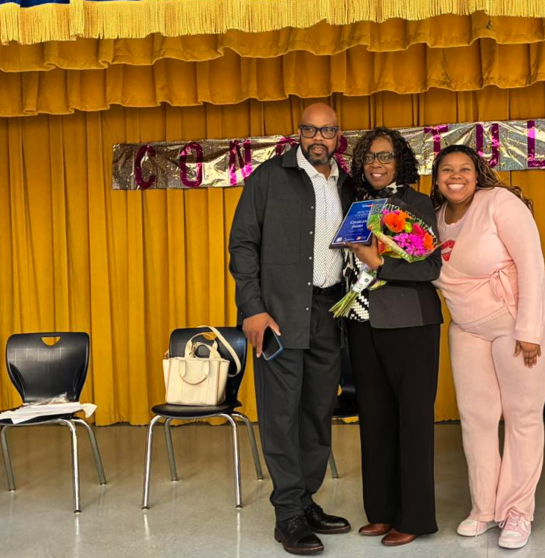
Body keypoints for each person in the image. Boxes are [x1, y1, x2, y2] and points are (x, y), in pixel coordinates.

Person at [228, 103, 353, 556]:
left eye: (328, 131)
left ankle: (306, 500)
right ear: (298, 133)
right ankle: (288, 515)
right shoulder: (268, 179)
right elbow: (242, 245)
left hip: (329, 310)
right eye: (310, 130)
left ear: (339, 136)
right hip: (278, 316)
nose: (318, 137)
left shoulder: (347, 181)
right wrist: (253, 308)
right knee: (281, 414)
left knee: (318, 411)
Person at [430, 144, 545, 550]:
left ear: (477, 173)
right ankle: (485, 509)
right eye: (447, 169)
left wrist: (530, 329)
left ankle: (518, 512)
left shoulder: (499, 202)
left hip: (518, 322)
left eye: (464, 168)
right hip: (467, 327)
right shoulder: (433, 221)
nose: (456, 175)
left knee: (521, 415)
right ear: (435, 179)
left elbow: (531, 263)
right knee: (477, 420)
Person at [341, 127, 443, 547]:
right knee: (376, 419)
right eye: (369, 158)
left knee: (413, 422)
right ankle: (381, 512)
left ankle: (415, 517)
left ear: (400, 160)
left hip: (411, 326)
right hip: (361, 323)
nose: (376, 164)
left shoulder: (414, 204)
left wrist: (380, 266)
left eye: (385, 156)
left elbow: (429, 268)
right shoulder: (357, 206)